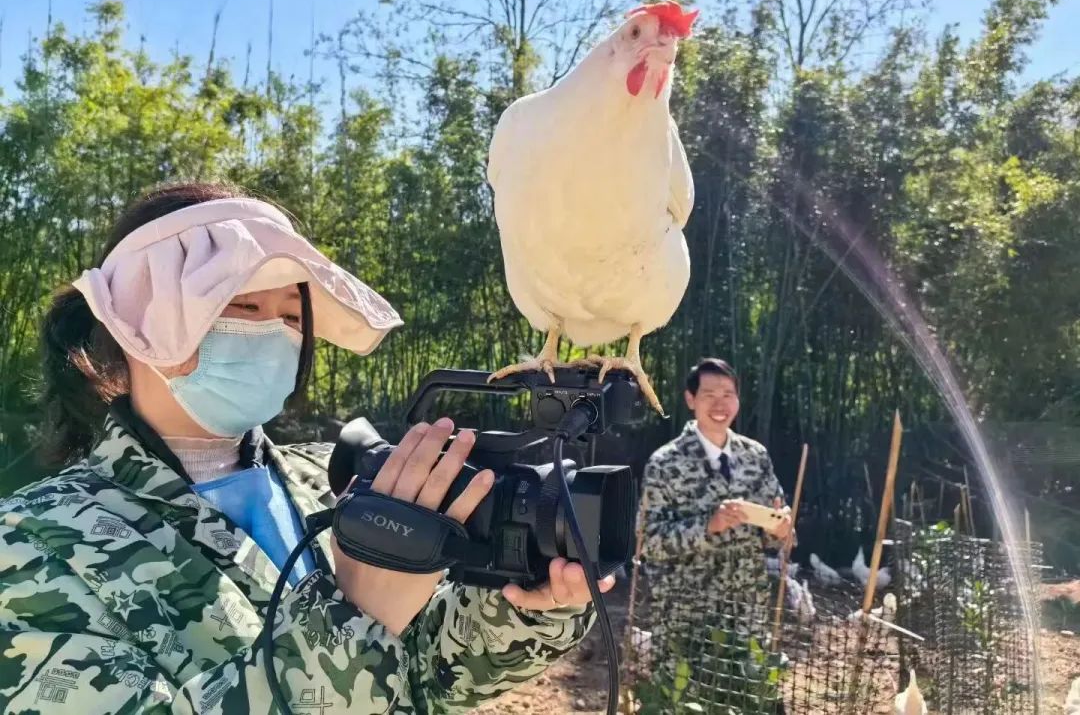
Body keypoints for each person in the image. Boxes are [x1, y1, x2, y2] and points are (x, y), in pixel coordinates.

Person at [0, 182, 615, 713]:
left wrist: (528, 607)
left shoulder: (329, 478)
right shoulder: (33, 541)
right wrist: (356, 617)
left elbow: (426, 678)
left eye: (292, 316)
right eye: (241, 306)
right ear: (138, 322)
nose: (273, 335)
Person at [636, 358, 792, 706]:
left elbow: (774, 529)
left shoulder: (756, 457)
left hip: (745, 612)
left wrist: (781, 527)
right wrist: (707, 526)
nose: (720, 404)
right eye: (709, 394)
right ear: (690, 399)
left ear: (737, 400)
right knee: (686, 704)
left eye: (728, 394)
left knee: (749, 701)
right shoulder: (665, 463)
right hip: (686, 617)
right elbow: (648, 542)